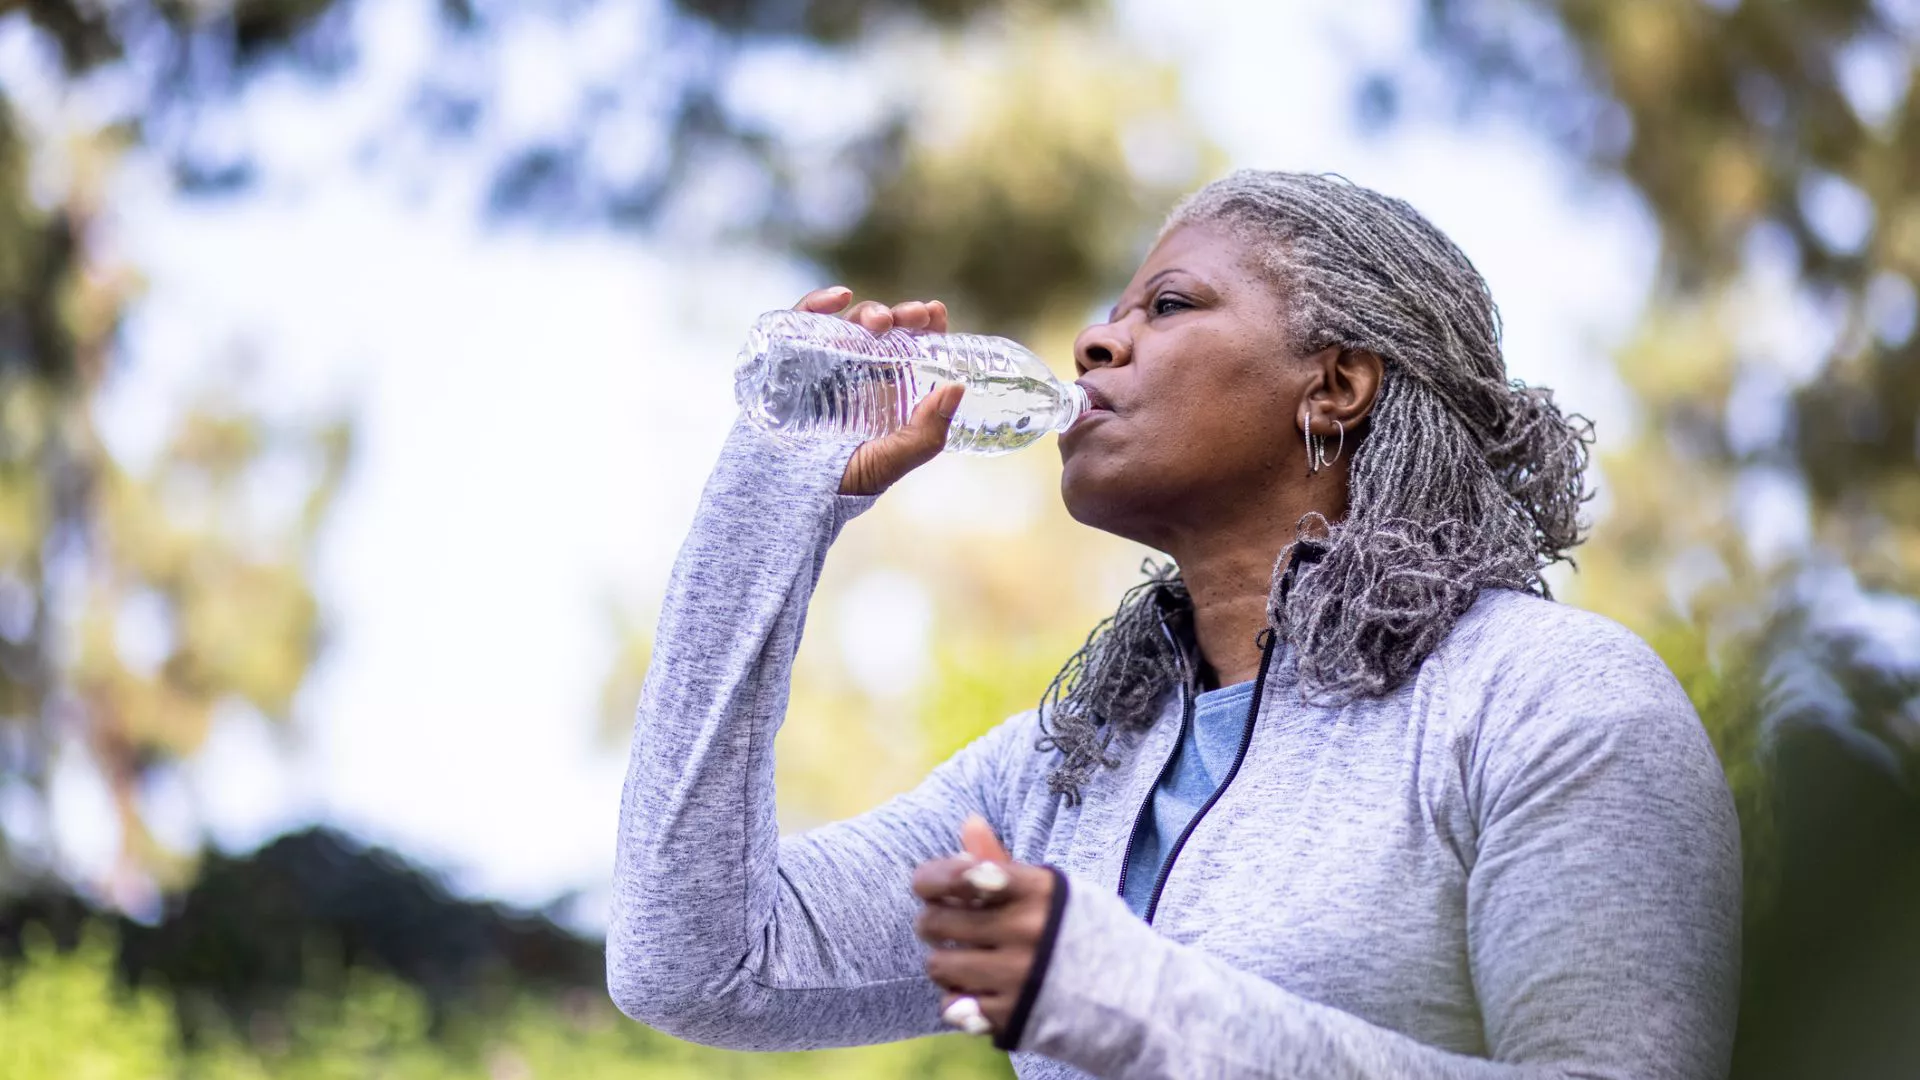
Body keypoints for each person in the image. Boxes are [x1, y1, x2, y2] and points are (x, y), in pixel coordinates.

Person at [607, 170, 1741, 1079]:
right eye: (1109, 314)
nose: (1097, 345)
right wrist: (773, 503)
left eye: (1169, 305)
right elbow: (696, 963)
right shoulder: (1057, 775)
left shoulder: (1550, 698)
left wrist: (1118, 992)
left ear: (1337, 386)